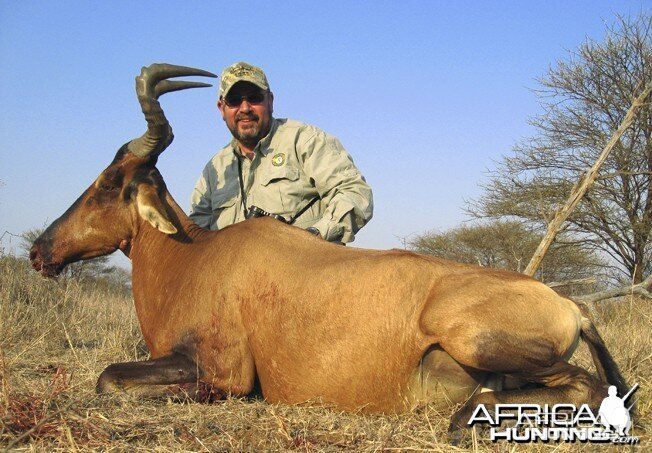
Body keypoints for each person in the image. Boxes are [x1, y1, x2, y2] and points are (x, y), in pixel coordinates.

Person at [189, 62, 373, 244]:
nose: (245, 108)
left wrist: (311, 239)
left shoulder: (305, 140)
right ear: (221, 108)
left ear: (270, 100)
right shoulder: (214, 171)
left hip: (305, 267)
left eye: (254, 97)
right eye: (234, 101)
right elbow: (196, 233)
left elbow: (354, 192)